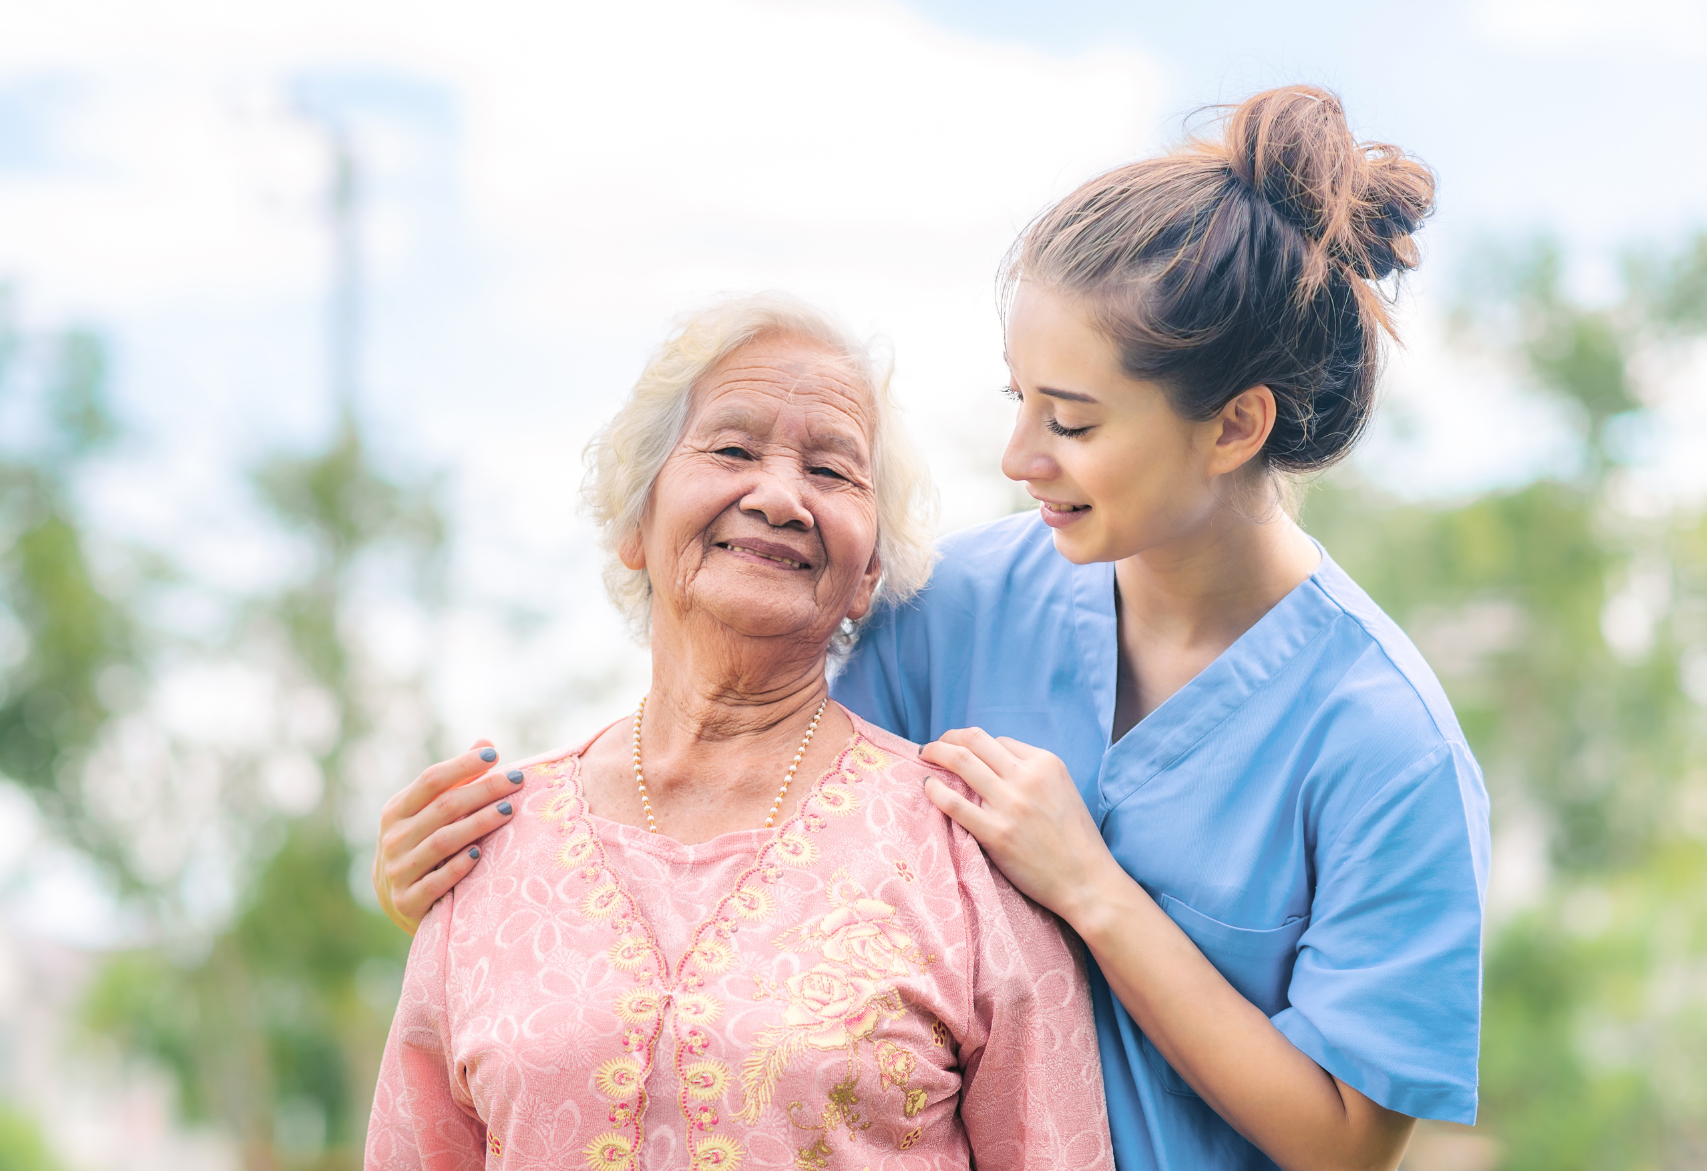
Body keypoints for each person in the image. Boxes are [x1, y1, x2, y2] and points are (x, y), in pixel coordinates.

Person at [376, 85, 1488, 1171]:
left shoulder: (1384, 744)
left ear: (1234, 426)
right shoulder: (949, 609)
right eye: (1017, 401)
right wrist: (485, 890)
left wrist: (1093, 891)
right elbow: (752, 840)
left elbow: (1344, 1145)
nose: (1019, 459)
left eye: (1072, 421)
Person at [364, 294, 1113, 1171]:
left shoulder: (967, 852)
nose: (780, 496)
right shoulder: (486, 843)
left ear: (869, 571)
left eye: (833, 472)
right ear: (635, 522)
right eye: (731, 449)